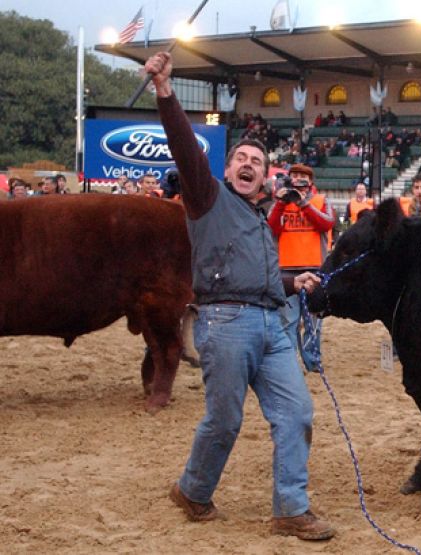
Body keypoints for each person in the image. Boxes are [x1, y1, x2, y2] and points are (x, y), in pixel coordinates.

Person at [145, 51, 335, 540]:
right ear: (227, 170)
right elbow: (186, 148)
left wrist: (295, 282)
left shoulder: (259, 216)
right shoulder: (206, 198)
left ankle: (291, 509)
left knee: (296, 413)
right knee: (225, 420)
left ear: (265, 176)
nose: (249, 165)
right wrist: (166, 92)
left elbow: (261, 277)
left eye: (257, 162)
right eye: (241, 160)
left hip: (274, 324)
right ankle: (193, 490)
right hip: (225, 324)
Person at [267, 163, 335, 373]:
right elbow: (270, 228)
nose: (297, 179)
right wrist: (280, 202)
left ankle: (313, 361)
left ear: (310, 181)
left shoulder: (321, 200)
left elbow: (327, 223)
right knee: (288, 320)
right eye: (294, 175)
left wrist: (304, 203)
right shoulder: (280, 203)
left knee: (313, 320)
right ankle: (289, 362)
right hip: (286, 268)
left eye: (302, 176)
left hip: (315, 267)